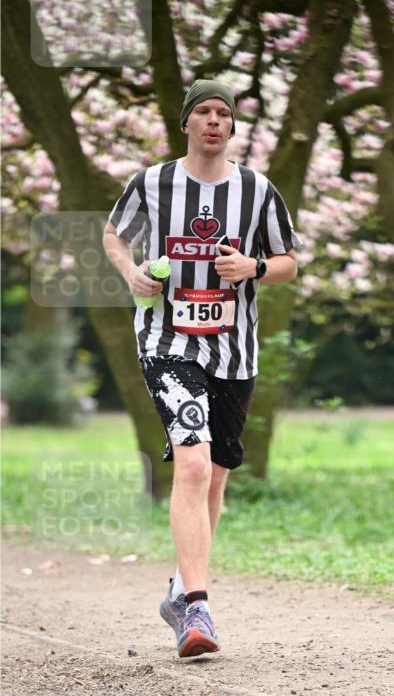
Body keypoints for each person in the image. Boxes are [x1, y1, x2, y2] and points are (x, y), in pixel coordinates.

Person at [103, 80, 300, 658]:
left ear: (232, 127)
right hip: (167, 340)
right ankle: (198, 608)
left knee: (214, 475)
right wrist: (131, 273)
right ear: (185, 123)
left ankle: (179, 592)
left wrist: (254, 266)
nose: (213, 121)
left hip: (235, 348)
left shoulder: (258, 190)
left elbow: (290, 262)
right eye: (203, 113)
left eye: (223, 114)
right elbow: (114, 233)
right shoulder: (152, 182)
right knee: (191, 466)